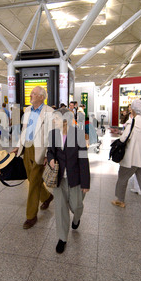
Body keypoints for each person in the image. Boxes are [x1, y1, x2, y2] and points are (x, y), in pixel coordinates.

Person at [47, 107, 90, 254]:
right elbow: (50, 151)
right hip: (59, 179)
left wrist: (85, 182)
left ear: (65, 121)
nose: (54, 121)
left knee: (77, 206)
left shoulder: (77, 135)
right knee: (60, 209)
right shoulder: (52, 134)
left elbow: (83, 159)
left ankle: (76, 219)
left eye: (56, 118)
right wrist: (51, 159)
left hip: (75, 178)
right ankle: (62, 238)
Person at [11, 86, 54, 229]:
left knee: (34, 182)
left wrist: (49, 154)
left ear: (42, 97)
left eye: (34, 93)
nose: (31, 95)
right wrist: (18, 146)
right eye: (32, 93)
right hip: (27, 148)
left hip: (40, 150)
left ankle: (31, 216)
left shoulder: (50, 112)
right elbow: (24, 130)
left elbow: (52, 135)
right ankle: (47, 196)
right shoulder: (28, 110)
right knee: (30, 178)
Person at [111, 99, 141, 222]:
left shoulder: (132, 122)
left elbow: (124, 138)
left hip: (132, 158)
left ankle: (120, 200)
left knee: (122, 178)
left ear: (133, 110)